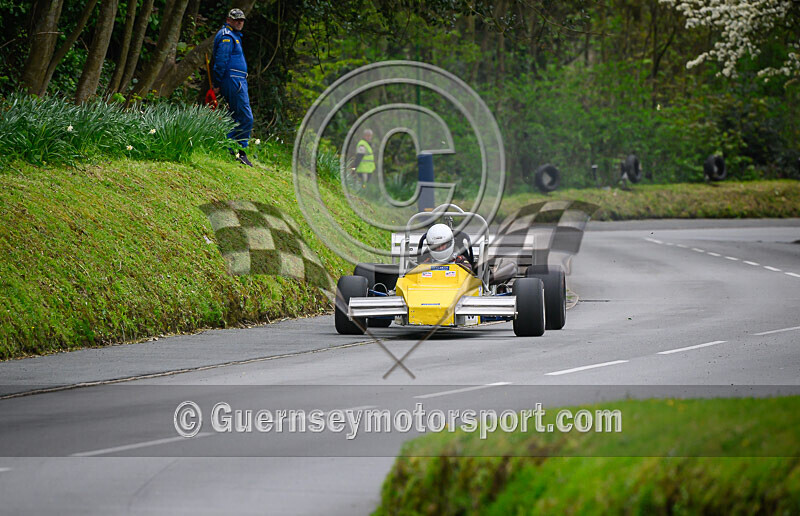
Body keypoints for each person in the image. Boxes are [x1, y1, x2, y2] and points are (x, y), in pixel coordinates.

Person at [212, 8, 254, 167]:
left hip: (238, 80)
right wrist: (217, 84)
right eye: (236, 20)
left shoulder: (234, 36)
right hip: (233, 80)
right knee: (246, 117)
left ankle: (227, 147)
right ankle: (240, 151)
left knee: (235, 116)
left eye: (242, 20)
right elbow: (220, 62)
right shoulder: (227, 36)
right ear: (228, 19)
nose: (240, 22)